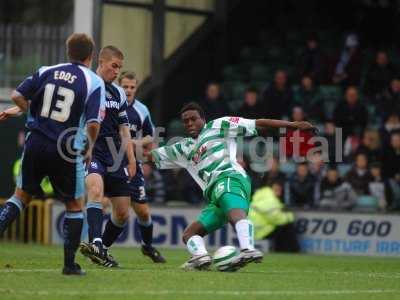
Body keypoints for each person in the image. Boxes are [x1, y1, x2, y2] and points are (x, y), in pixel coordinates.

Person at [148, 102, 316, 271]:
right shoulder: (182, 148)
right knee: (189, 234)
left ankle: (248, 249)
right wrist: (128, 151)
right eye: (186, 121)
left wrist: (292, 125)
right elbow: (151, 157)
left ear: (203, 119)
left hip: (230, 177)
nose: (190, 123)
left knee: (230, 203)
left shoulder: (219, 125)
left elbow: (258, 123)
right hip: (215, 195)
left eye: (194, 119)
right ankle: (200, 256)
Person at [0, 33, 105, 275]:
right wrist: (89, 146)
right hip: (65, 148)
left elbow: (17, 95)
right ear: (91, 55)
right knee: (74, 204)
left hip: (35, 141)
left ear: (68, 51)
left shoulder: (47, 69)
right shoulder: (92, 81)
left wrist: (33, 115)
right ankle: (70, 265)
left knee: (20, 197)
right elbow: (92, 123)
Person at [79, 46, 136, 267]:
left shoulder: (118, 93)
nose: (117, 71)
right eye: (114, 66)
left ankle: (101, 249)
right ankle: (95, 242)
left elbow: (124, 129)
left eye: (119, 67)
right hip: (92, 151)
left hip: (115, 155)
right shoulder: (86, 85)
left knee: (122, 213)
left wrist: (131, 159)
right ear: (100, 63)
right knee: (95, 191)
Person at [118, 71, 166, 263]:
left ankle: (147, 246)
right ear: (119, 87)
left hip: (132, 163)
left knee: (143, 212)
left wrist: (137, 143)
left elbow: (150, 135)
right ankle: (97, 245)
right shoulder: (110, 106)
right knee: (107, 205)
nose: (128, 90)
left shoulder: (141, 110)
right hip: (110, 163)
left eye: (132, 87)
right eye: (125, 87)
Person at [249, 182, 300, 253]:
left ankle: (286, 250)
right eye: (276, 189)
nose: (279, 192)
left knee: (281, 228)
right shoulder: (270, 199)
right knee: (287, 226)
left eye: (280, 190)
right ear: (271, 188)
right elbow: (276, 219)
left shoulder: (260, 195)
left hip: (253, 230)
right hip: (261, 232)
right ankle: (293, 250)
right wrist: (290, 217)